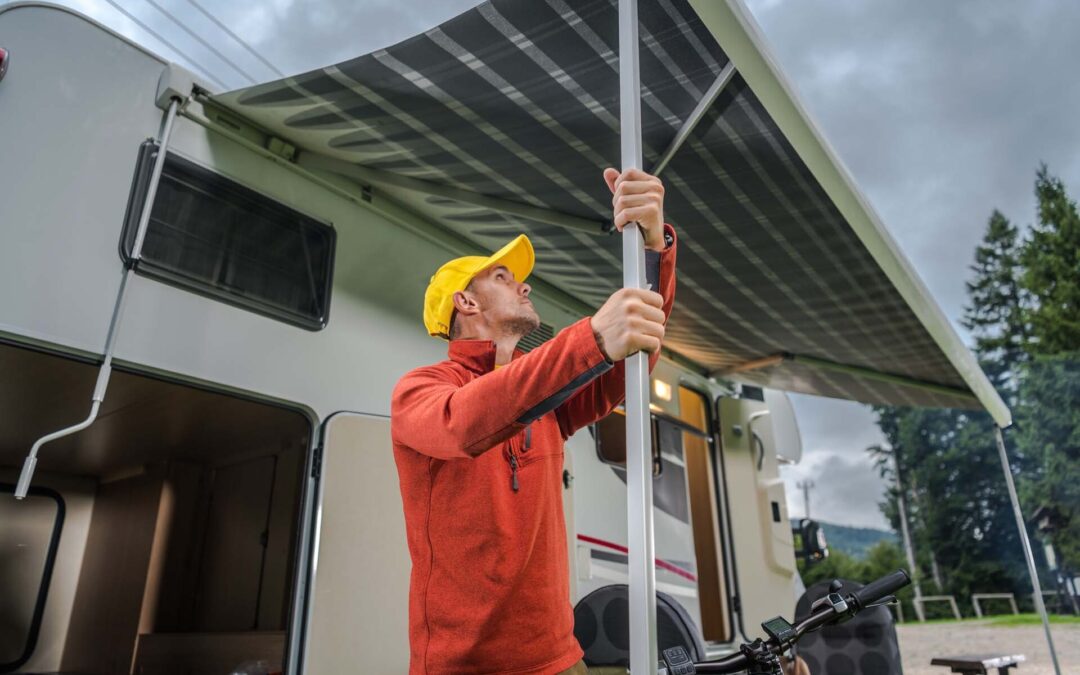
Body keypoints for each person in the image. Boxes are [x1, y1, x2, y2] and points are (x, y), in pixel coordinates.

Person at [391, 167, 677, 675]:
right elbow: (463, 423)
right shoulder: (421, 389)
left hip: (559, 659)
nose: (523, 286)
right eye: (503, 278)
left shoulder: (543, 397)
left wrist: (654, 249)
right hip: (465, 667)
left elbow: (633, 351)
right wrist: (590, 338)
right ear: (467, 301)